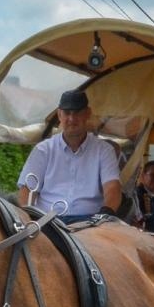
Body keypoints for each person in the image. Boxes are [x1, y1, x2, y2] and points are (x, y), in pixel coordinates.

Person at [16, 88, 122, 224]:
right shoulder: (43, 150)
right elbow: (27, 191)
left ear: (87, 114)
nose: (71, 119)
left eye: (77, 112)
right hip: (48, 223)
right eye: (67, 113)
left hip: (91, 223)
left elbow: (113, 187)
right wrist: (25, 220)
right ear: (60, 115)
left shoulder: (104, 150)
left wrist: (105, 214)